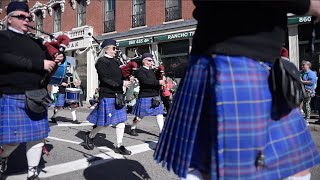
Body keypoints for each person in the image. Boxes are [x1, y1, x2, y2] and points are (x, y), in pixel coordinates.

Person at [154, 1, 320, 180]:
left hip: (244, 60)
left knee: (293, 167)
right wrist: (309, 4)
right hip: (236, 61)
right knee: (285, 170)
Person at [0, 1, 64, 180]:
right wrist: (39, 63)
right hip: (13, 93)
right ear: (9, 19)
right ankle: (3, 156)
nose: (26, 20)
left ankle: (32, 172)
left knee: (37, 137)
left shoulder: (36, 41)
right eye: (21, 16)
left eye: (28, 17)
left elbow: (50, 57)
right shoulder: (3, 37)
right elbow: (5, 59)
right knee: (12, 139)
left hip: (37, 94)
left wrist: (58, 56)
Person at [85, 39, 133, 155]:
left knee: (121, 121)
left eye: (116, 48)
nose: (116, 50)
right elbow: (105, 79)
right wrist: (121, 83)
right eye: (114, 48)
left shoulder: (116, 62)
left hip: (118, 94)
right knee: (105, 123)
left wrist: (127, 79)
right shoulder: (101, 61)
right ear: (106, 49)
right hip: (107, 94)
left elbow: (119, 77)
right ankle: (90, 136)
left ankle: (119, 145)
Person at [129, 53, 165, 136]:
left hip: (155, 95)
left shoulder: (152, 71)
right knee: (140, 116)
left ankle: (162, 132)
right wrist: (158, 82)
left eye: (152, 60)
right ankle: (133, 127)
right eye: (149, 60)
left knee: (159, 113)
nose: (151, 62)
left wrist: (160, 74)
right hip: (145, 95)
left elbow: (155, 80)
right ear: (144, 61)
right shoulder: (140, 71)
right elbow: (146, 82)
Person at [301, 60, 317, 126]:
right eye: (302, 65)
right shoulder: (302, 72)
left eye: (303, 65)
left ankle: (307, 119)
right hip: (302, 91)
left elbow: (312, 82)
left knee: (306, 105)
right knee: (304, 106)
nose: (302, 66)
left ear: (308, 66)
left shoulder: (311, 73)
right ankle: (305, 117)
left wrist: (302, 81)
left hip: (308, 91)